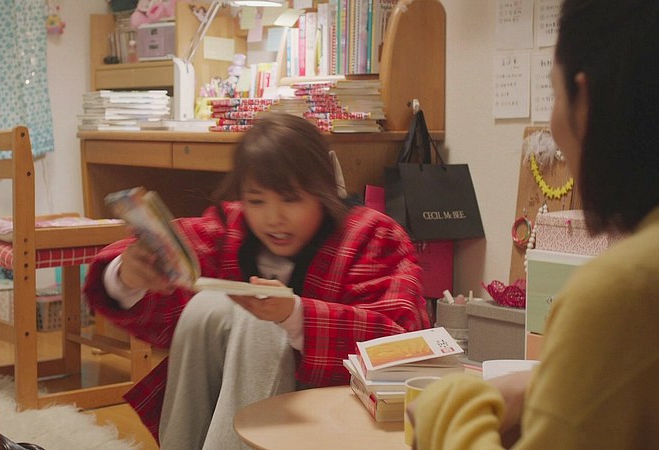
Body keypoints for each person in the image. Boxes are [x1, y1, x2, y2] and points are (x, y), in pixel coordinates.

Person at [407, 0, 659, 448]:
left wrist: (449, 408)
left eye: (554, 94)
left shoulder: (625, 292)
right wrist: (543, 386)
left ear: (585, 102)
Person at [83, 113, 431, 450]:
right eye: (256, 200)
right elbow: (172, 250)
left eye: (291, 199)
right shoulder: (232, 227)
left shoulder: (372, 235)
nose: (273, 218)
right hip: (238, 407)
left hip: (340, 415)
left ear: (323, 192)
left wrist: (293, 315)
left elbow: (401, 341)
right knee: (206, 307)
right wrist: (128, 275)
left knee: (260, 323)